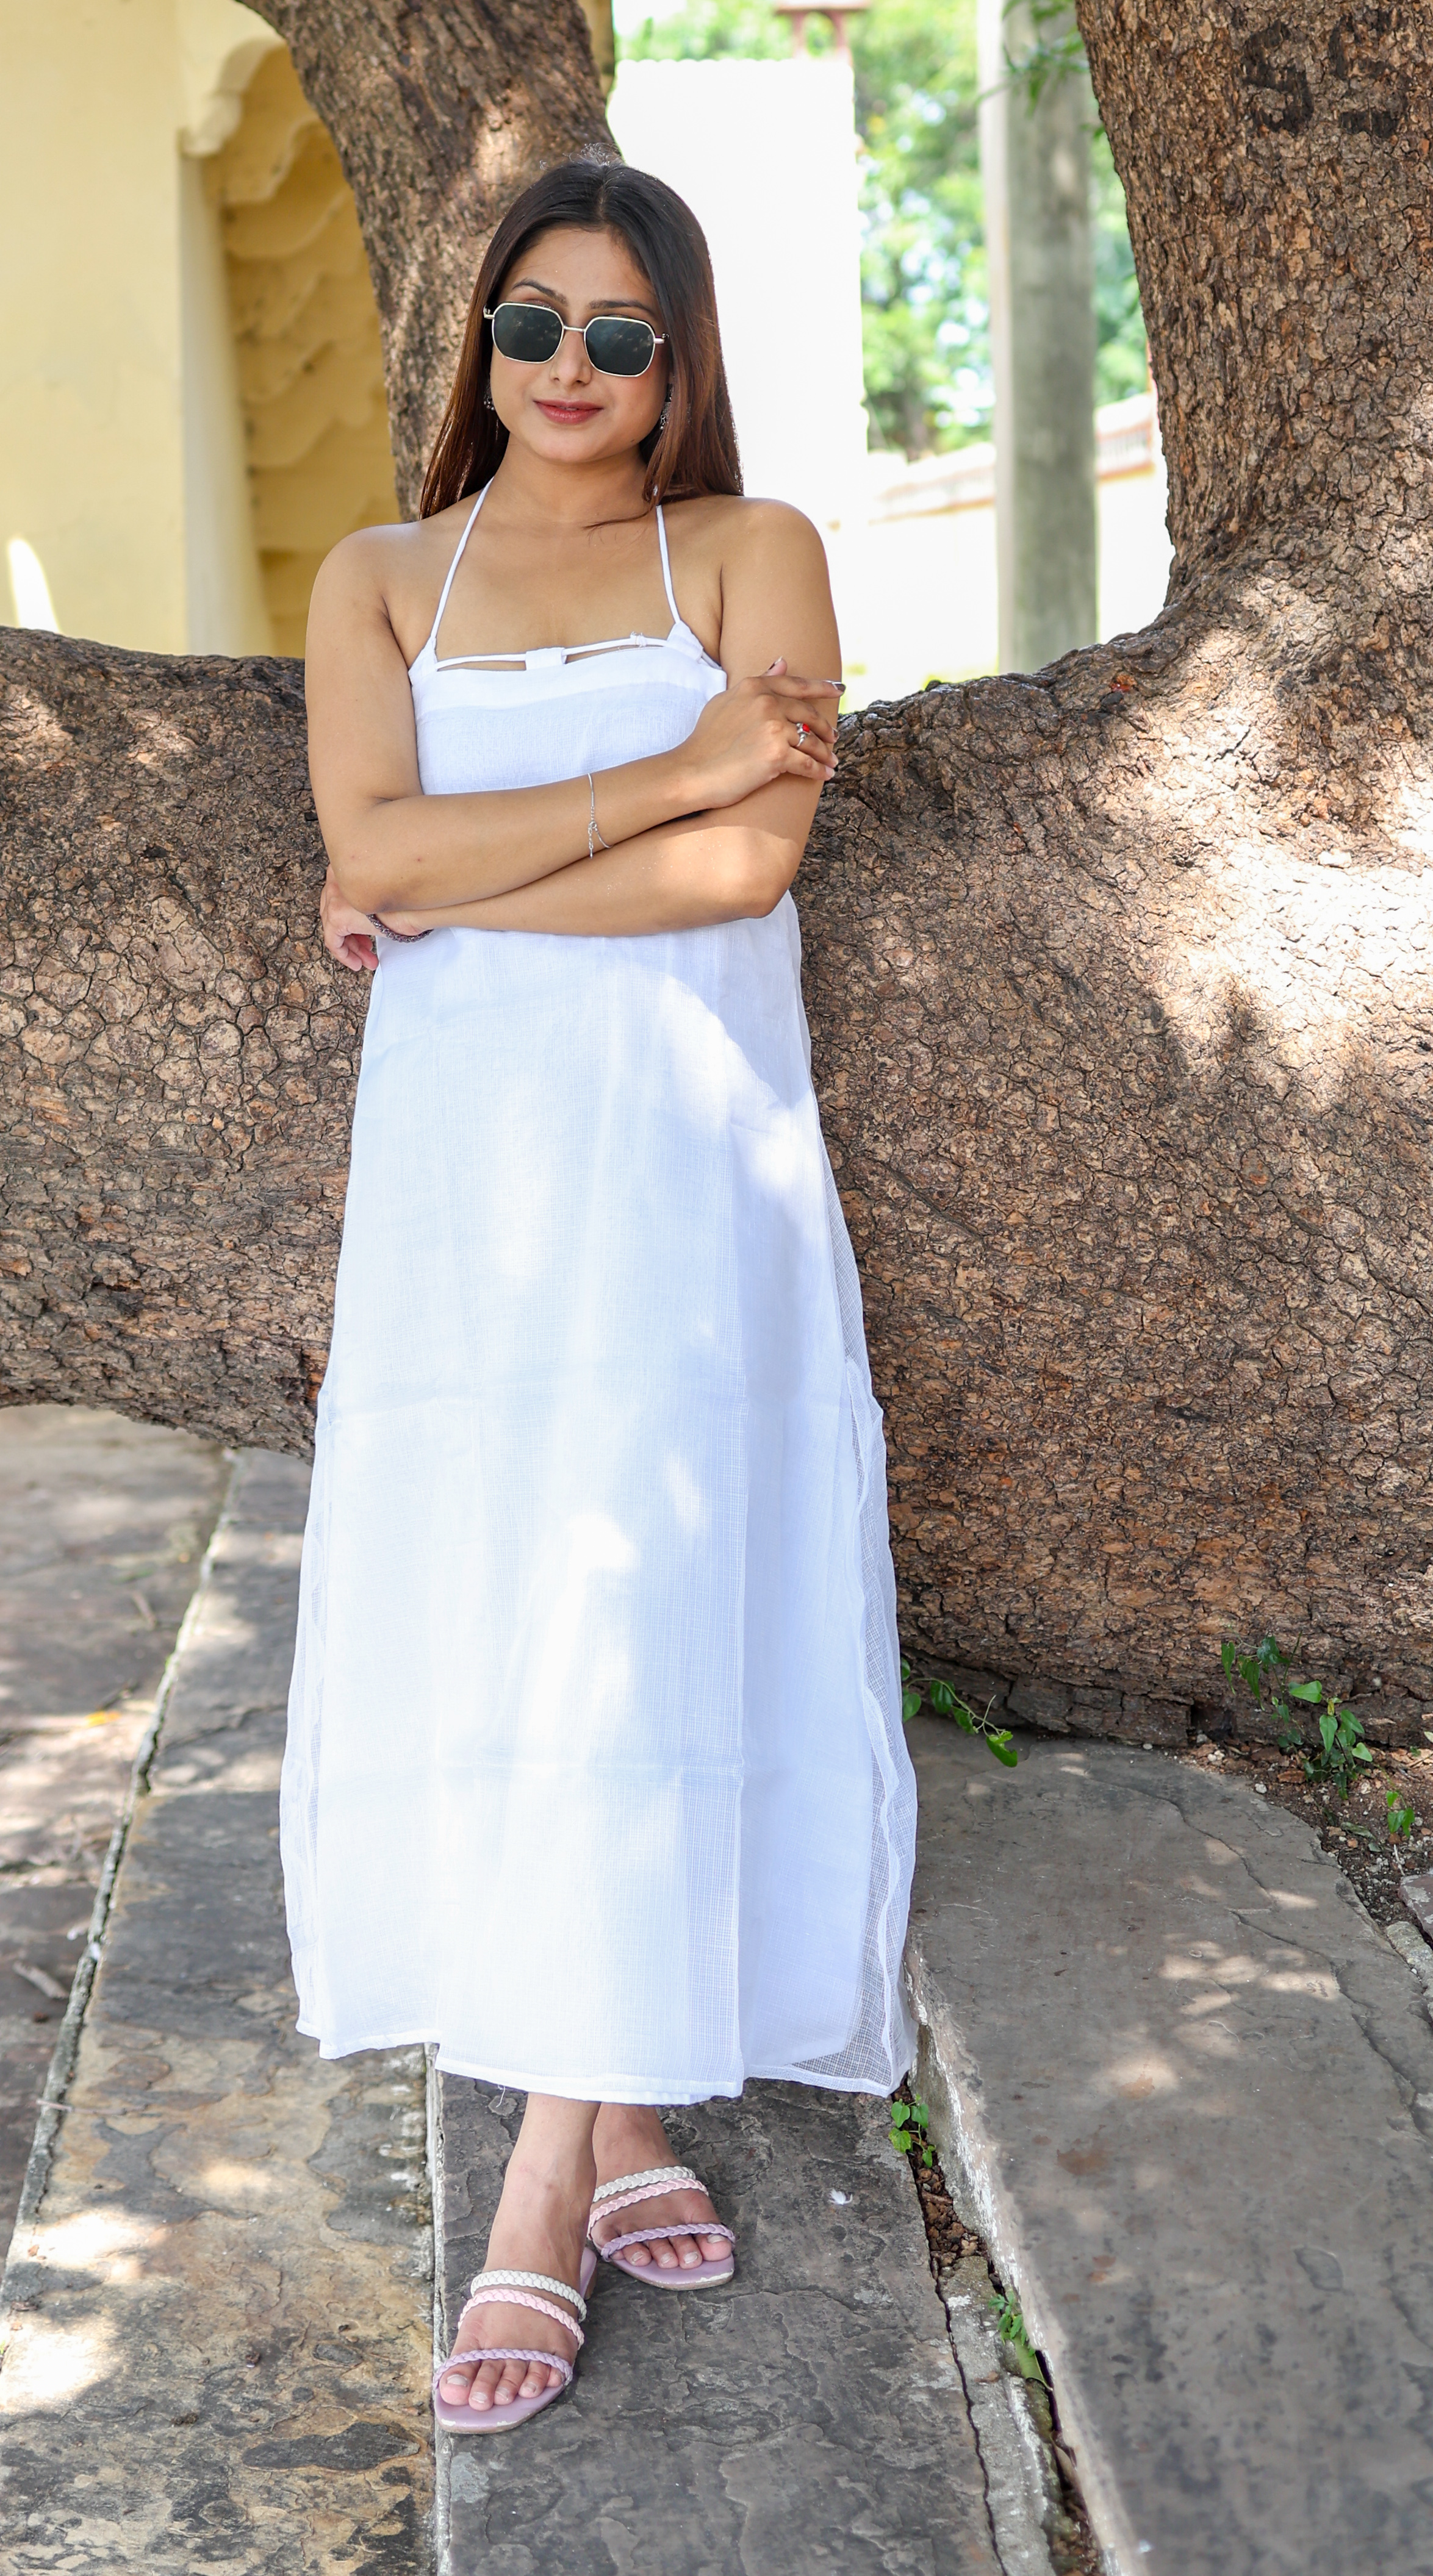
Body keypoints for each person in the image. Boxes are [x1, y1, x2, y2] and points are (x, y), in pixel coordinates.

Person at [283, 158, 912, 2435]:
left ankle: (541, 2180)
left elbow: (749, 875)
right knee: (501, 1600)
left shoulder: (759, 556)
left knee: (640, 1603)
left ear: (683, 361)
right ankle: (619, 2090)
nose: (569, 370)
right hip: (465, 1182)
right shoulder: (380, 579)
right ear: (481, 348)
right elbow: (378, 852)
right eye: (532, 325)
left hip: (684, 1165)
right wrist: (660, 774)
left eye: (621, 336)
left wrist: (460, 879)